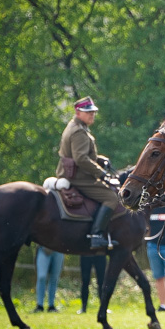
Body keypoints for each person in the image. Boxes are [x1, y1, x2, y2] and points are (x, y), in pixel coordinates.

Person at [55, 96, 120, 250]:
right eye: (88, 112)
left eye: (93, 112)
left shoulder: (76, 127)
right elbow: (81, 159)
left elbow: (81, 154)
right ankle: (96, 236)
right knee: (111, 197)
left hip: (72, 173)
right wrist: (102, 174)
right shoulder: (79, 132)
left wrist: (99, 159)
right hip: (79, 177)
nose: (92, 115)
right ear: (78, 112)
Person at [34, 245, 65, 312]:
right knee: (41, 277)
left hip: (59, 250)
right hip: (43, 249)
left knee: (54, 278)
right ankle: (40, 305)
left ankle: (51, 306)